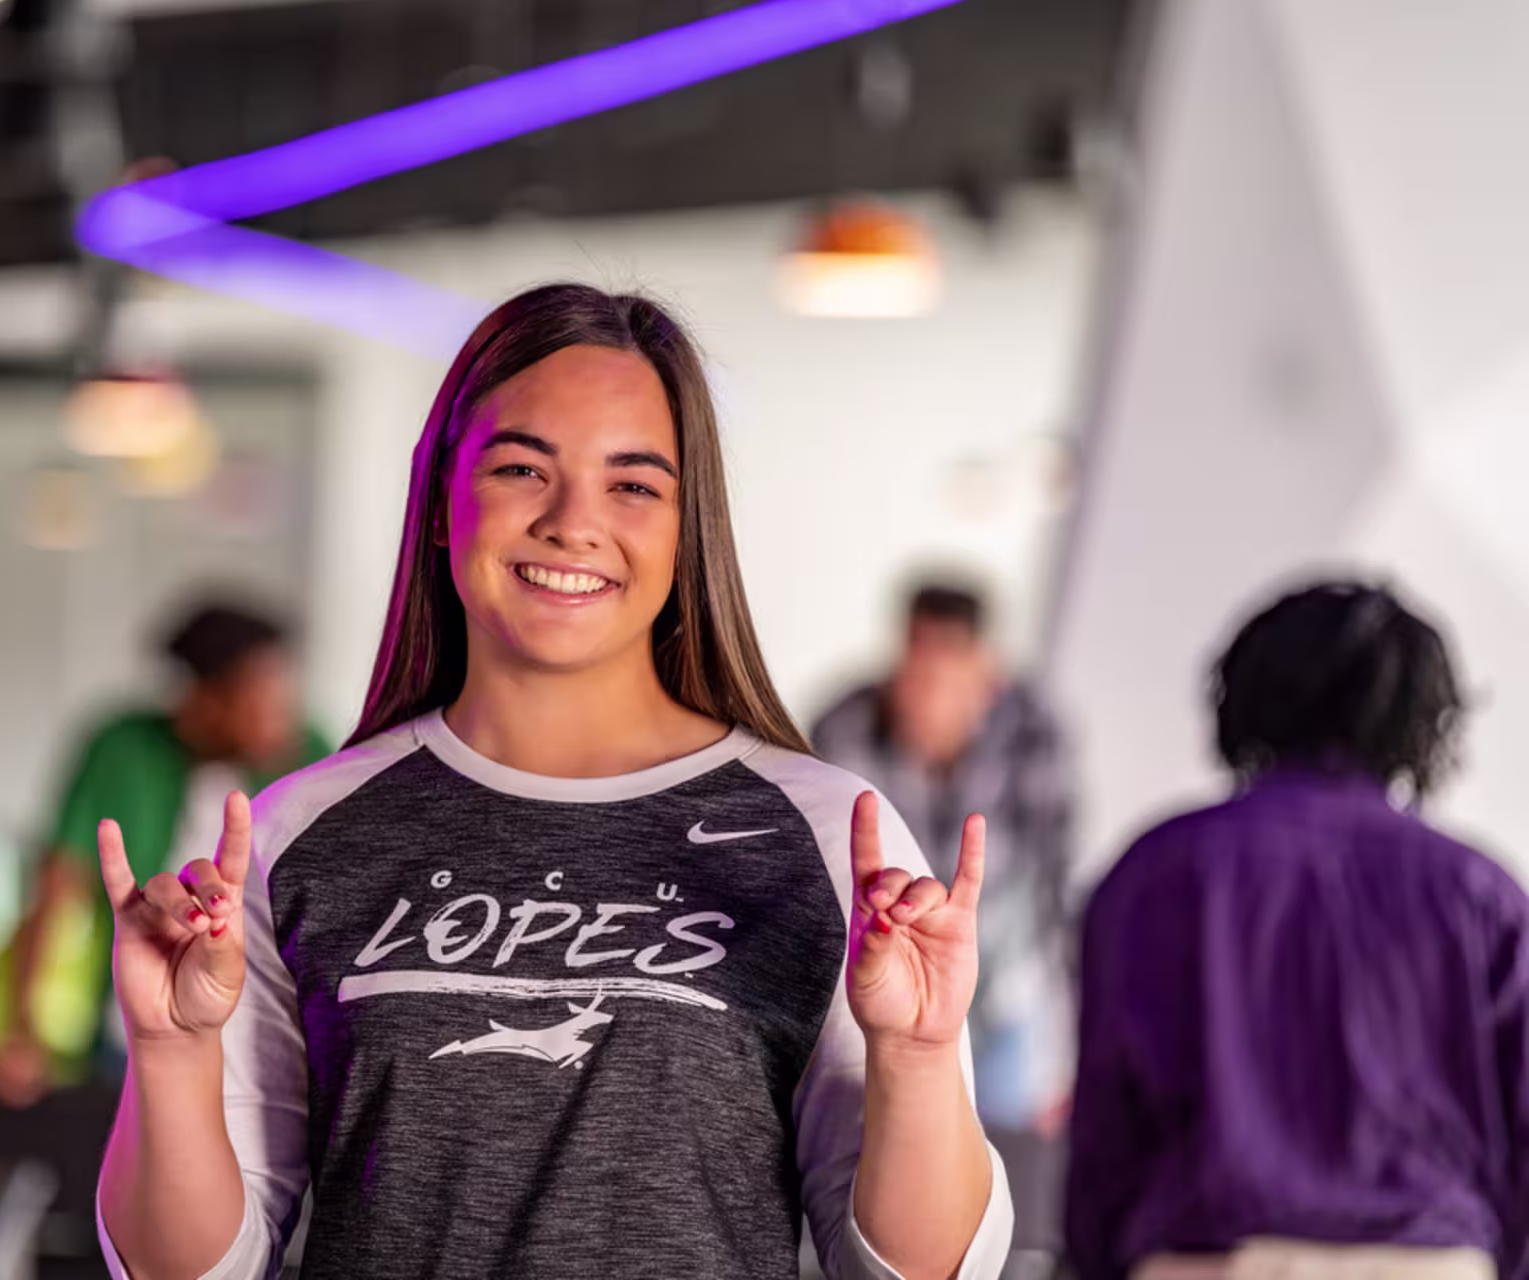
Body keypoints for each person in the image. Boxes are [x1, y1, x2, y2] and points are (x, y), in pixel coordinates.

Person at [93, 284, 1013, 1280]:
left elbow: (919, 1272)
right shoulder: (299, 832)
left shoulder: (831, 839)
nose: (575, 522)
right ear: (443, 503)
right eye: (524, 467)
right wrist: (171, 1050)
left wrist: (918, 1058)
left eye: (633, 484)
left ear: (685, 530)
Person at [1065, 580, 1528, 1280]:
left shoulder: (1154, 873)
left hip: (1206, 1258)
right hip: (1429, 1260)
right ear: (1423, 714)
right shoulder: (1481, 894)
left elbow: (1106, 1132)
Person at [0, 602, 331, 1107]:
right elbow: (56, 893)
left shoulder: (308, 753)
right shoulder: (122, 750)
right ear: (204, 698)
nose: (282, 712)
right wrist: (19, 1030)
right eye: (262, 692)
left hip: (270, 1048)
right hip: (132, 1041)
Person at [812, 581, 1076, 1132]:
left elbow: (1055, 877)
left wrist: (1066, 1034)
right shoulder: (843, 726)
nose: (926, 691)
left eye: (948, 670)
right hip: (880, 967)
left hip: (1003, 979)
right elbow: (823, 872)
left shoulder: (1034, 729)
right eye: (915, 665)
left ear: (987, 673)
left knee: (1001, 1143)